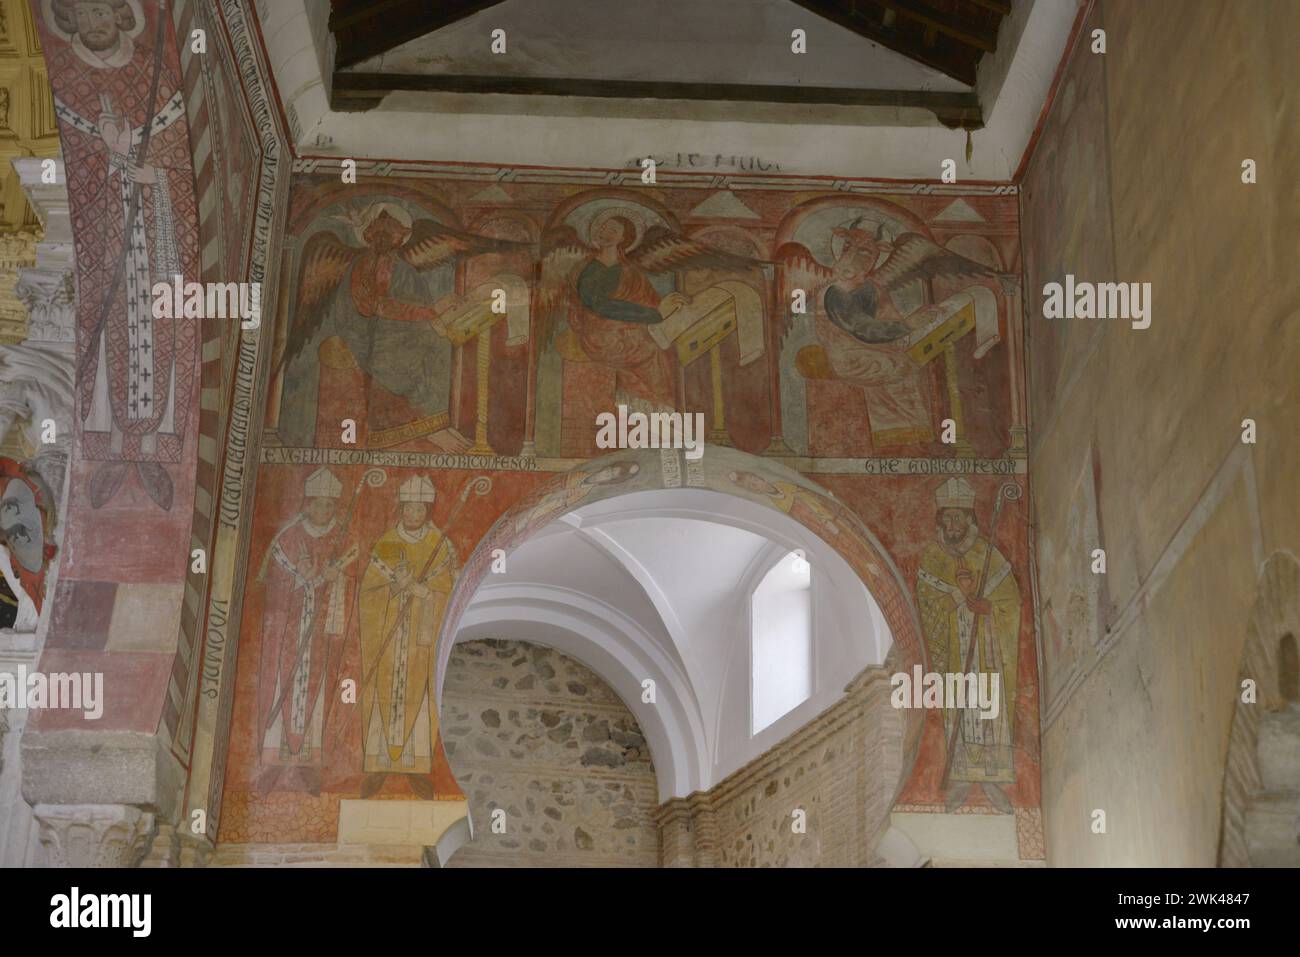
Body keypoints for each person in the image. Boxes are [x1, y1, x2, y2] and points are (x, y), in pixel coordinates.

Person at [916, 478, 1021, 807]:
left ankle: (992, 780)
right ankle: (961, 778)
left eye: (959, 517)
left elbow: (1011, 602)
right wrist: (957, 599)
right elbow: (926, 604)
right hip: (954, 654)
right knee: (957, 710)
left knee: (990, 711)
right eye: (947, 518)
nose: (953, 524)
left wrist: (987, 608)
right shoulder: (933, 559)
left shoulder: (989, 556)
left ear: (970, 520)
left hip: (986, 651)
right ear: (941, 521)